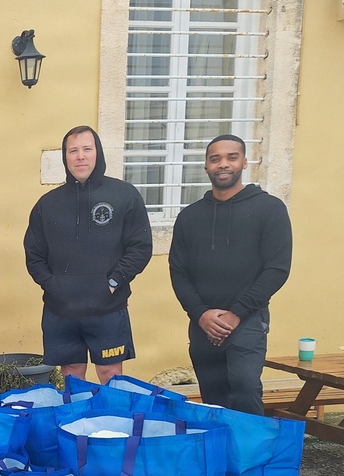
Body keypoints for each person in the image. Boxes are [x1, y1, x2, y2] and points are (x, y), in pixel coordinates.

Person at [169, 134, 292, 415]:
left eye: (231, 157)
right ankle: (221, 458)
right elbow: (178, 271)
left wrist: (236, 313)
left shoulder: (269, 209)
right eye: (215, 159)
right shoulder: (190, 217)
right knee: (213, 400)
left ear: (244, 162)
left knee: (245, 390)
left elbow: (277, 269)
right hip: (203, 324)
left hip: (247, 321)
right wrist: (200, 314)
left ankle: (251, 458)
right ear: (206, 166)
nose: (223, 164)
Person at [23, 125, 152, 383]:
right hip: (62, 309)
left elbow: (140, 247)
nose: (80, 156)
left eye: (86, 149)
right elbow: (34, 255)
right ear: (65, 157)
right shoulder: (47, 204)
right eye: (73, 151)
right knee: (71, 375)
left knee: (110, 374)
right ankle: (76, 423)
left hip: (107, 307)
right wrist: (53, 285)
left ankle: (113, 423)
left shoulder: (124, 195)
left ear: (98, 153)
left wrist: (115, 281)